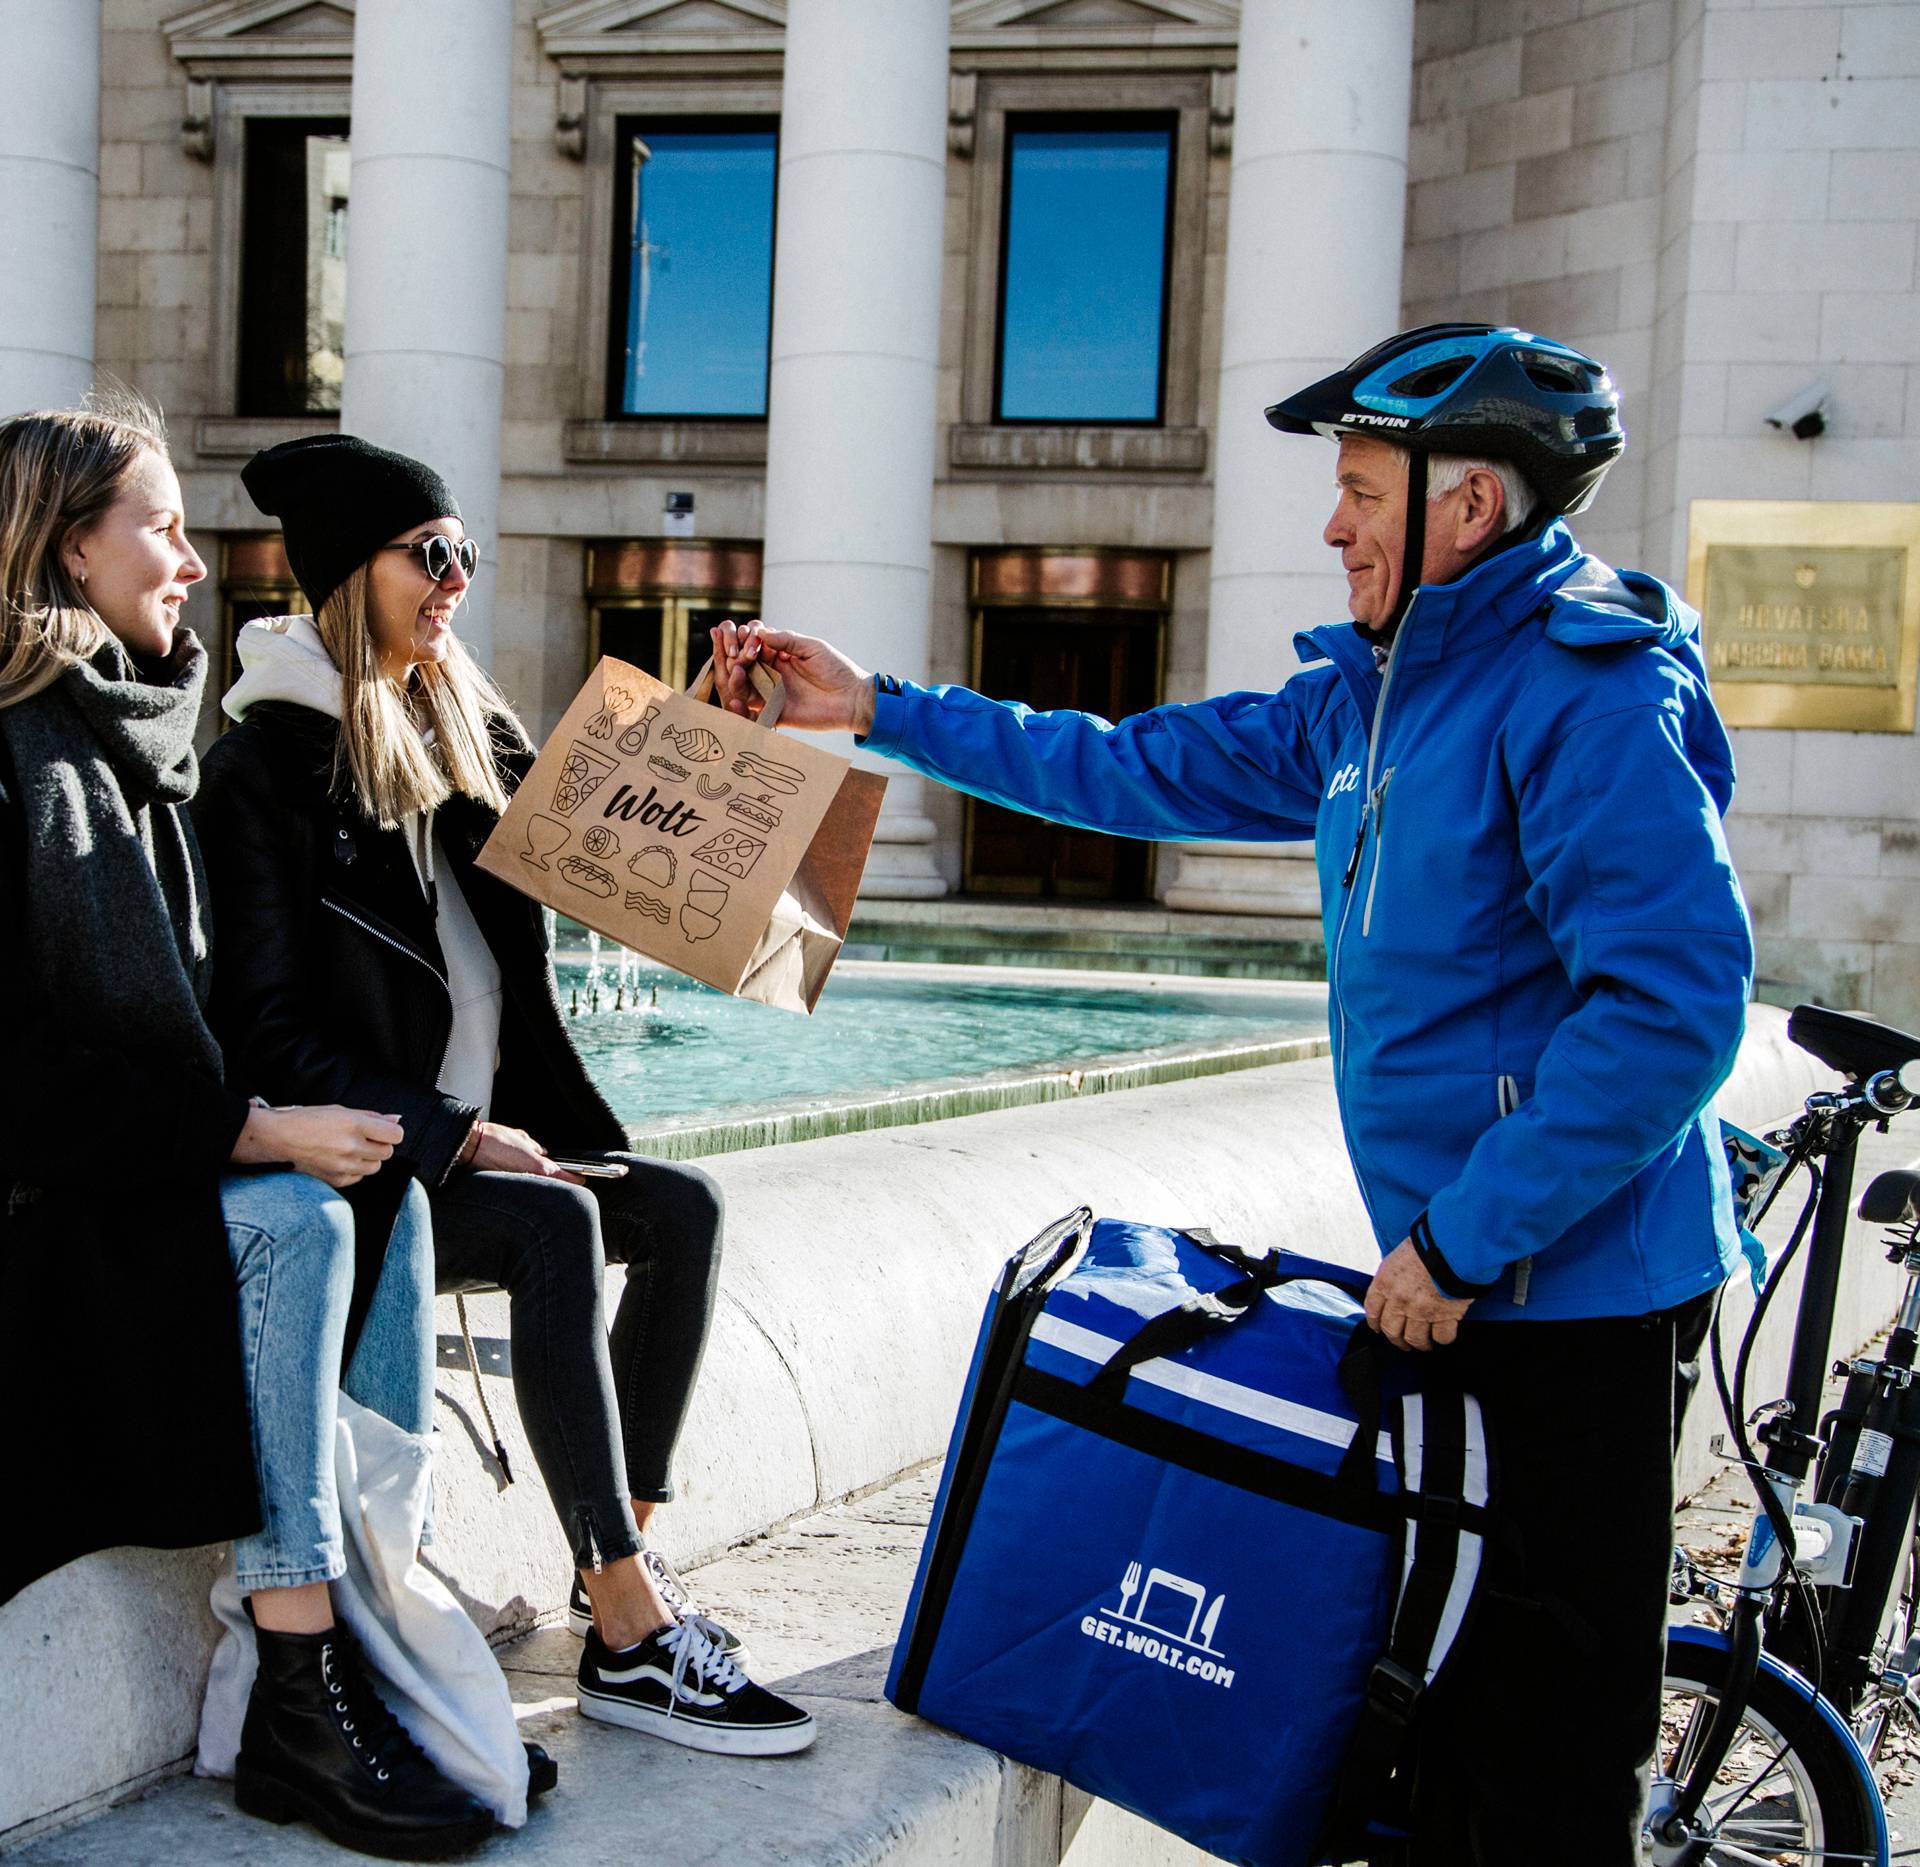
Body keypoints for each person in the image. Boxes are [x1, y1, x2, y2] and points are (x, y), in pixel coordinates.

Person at [714, 324, 1753, 1863]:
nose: (1333, 526)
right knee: (1439, 1708)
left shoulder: (1580, 695)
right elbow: (1128, 768)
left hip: (1570, 1305)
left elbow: (1673, 1010)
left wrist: (1467, 1240)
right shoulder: (1376, 700)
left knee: (1543, 1746)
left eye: (1358, 491)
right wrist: (875, 708)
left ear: (1466, 505)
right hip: (1466, 1286)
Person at [191, 433, 815, 1757]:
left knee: (684, 1210)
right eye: (430, 553)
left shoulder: (467, 734)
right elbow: (265, 1035)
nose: (456, 578)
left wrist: (716, 757)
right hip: (370, 1167)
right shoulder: (260, 776)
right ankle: (634, 1626)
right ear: (351, 570)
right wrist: (451, 1134)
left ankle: (626, 1580)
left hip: (483, 1147)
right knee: (555, 1231)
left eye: (464, 551)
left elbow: (661, 885)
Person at [0, 400, 502, 1858]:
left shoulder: (149, 739)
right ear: (68, 546)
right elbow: (20, 1084)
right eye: (159, 528)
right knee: (293, 1210)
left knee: (387, 1195)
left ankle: (381, 1632)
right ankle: (295, 1680)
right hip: (54, 1202)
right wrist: (251, 1132)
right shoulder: (16, 752)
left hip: (139, 1165)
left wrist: (309, 1120)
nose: (194, 565)